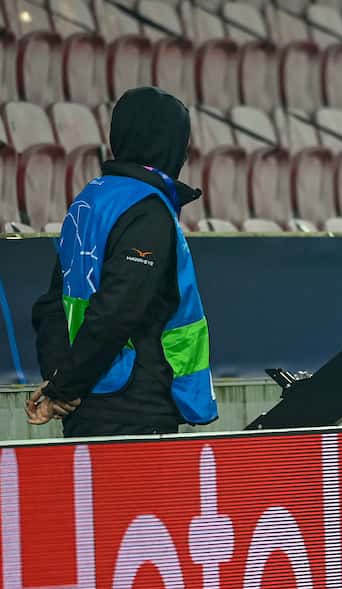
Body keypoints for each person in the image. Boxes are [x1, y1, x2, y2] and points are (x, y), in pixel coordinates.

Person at [28, 86, 218, 437]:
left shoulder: (90, 201)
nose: (186, 154)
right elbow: (116, 311)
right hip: (133, 407)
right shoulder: (147, 211)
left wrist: (61, 381)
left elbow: (52, 304)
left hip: (88, 401)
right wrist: (65, 387)